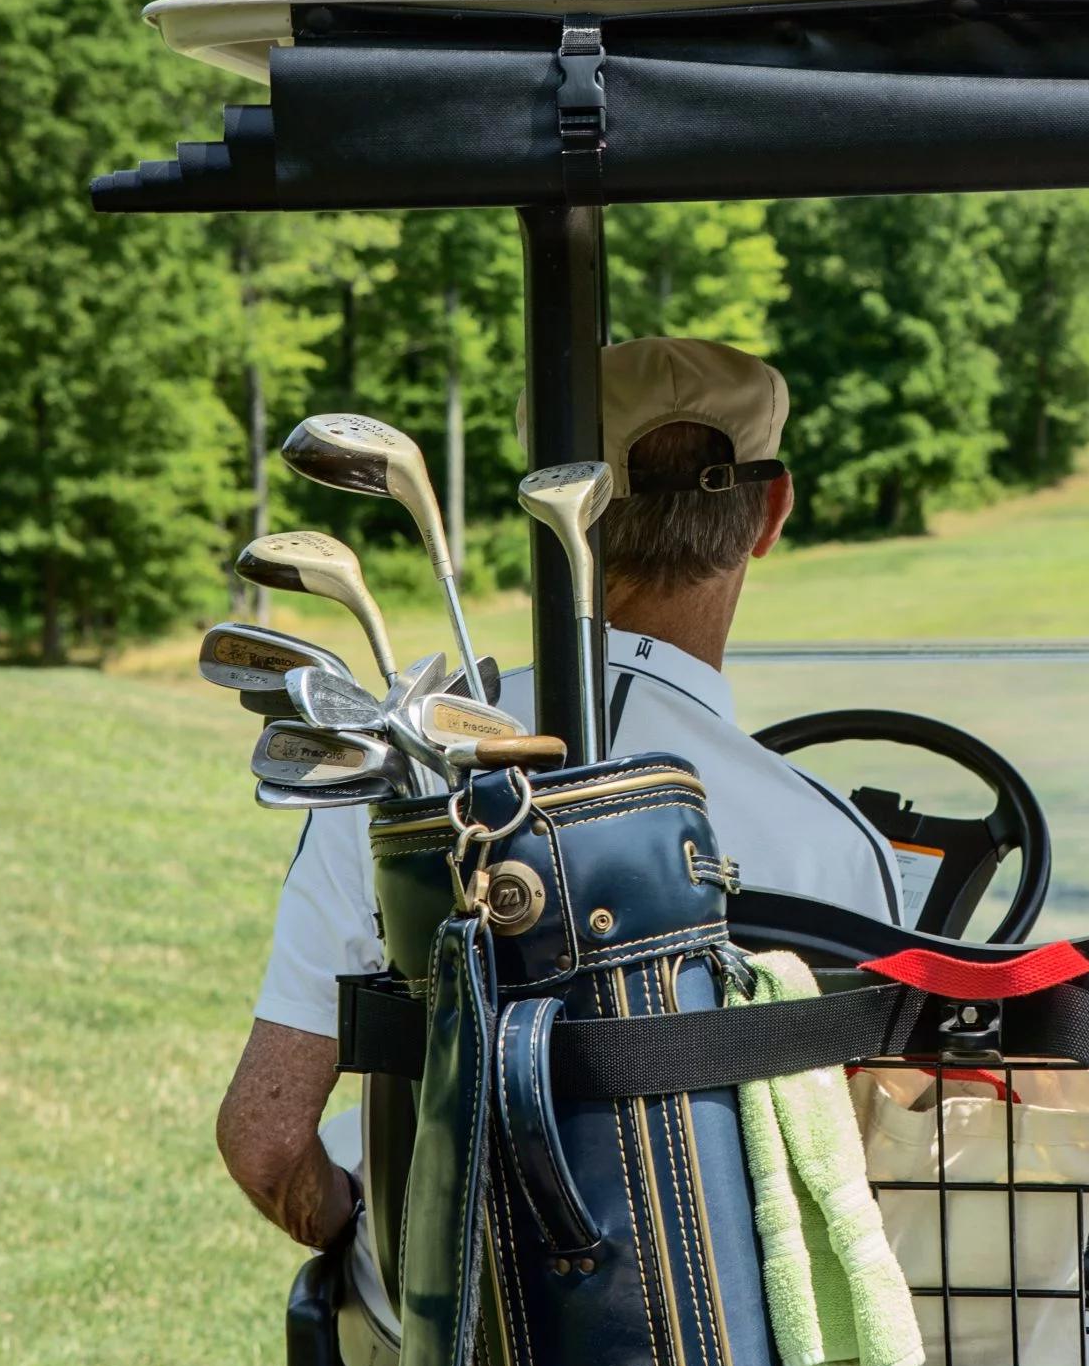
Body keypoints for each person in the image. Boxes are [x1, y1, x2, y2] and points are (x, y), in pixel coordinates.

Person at [214, 337, 905, 1254]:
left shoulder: (404, 772)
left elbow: (266, 1143)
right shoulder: (837, 843)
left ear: (549, 518)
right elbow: (869, 1175)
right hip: (729, 1350)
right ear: (769, 512)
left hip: (463, 1330)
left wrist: (378, 1253)